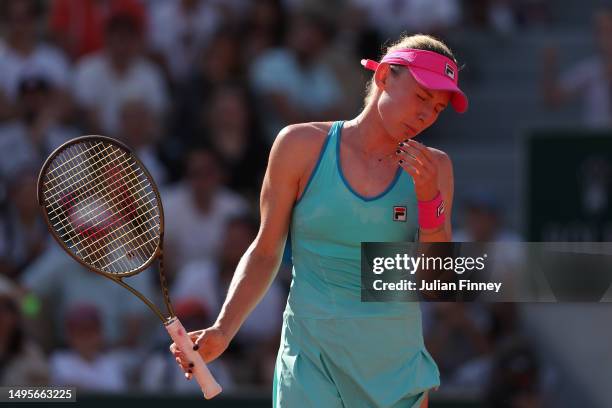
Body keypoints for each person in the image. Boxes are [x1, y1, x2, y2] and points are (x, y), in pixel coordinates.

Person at [171, 33, 468, 407]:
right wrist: (224, 328)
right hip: (310, 366)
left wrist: (430, 202)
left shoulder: (435, 168)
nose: (426, 114)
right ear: (384, 77)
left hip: (394, 374)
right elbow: (266, 251)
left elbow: (437, 285)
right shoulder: (299, 145)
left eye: (438, 108)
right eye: (422, 96)